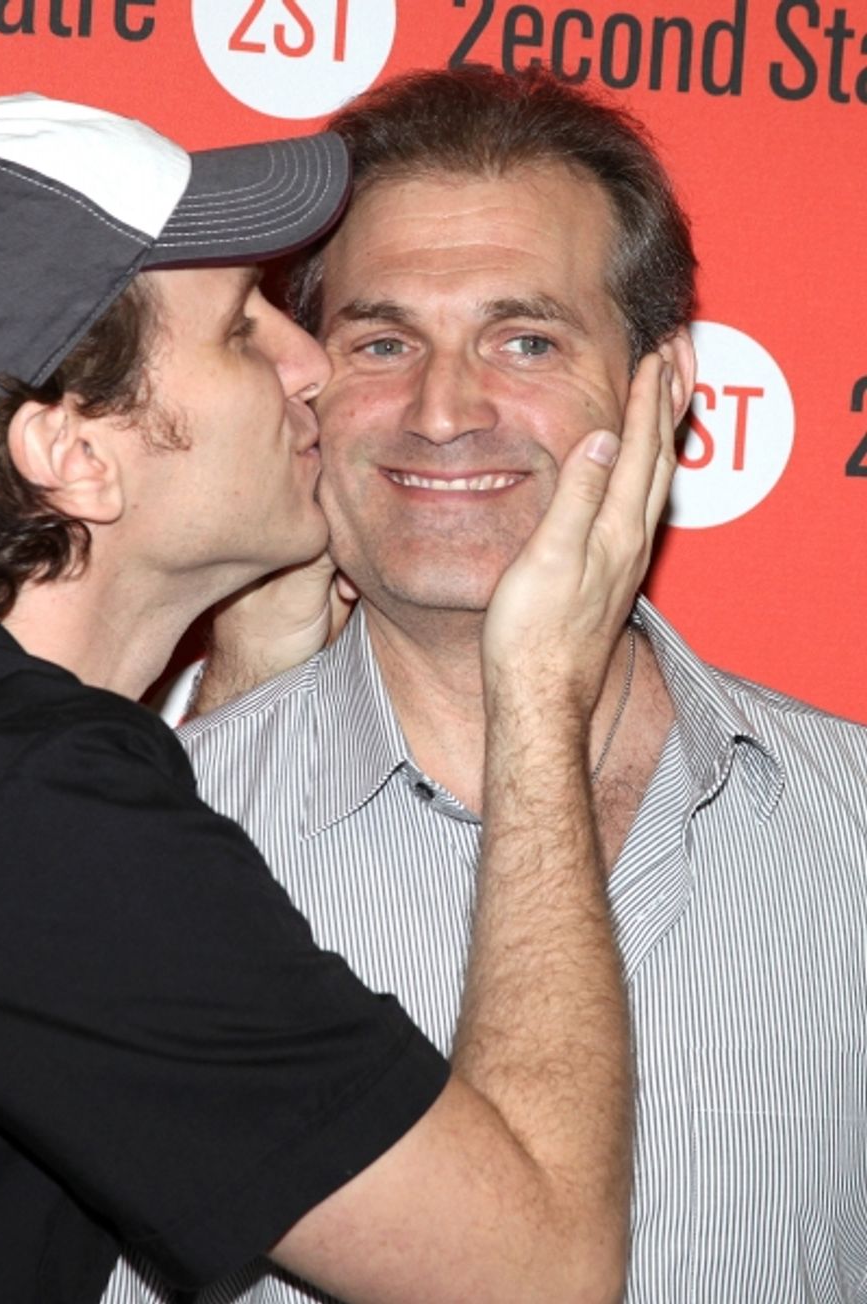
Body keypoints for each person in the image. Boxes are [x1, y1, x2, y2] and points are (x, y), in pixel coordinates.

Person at [0, 92, 676, 1304]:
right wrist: (541, 696)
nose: (314, 365)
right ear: (76, 455)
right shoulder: (12, 812)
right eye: (244, 328)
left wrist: (244, 670)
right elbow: (538, 1272)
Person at [102, 65, 867, 1304]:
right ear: (306, 386)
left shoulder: (854, 828)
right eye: (384, 339)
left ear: (662, 393)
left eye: (524, 339)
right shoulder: (134, 853)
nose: (445, 409)